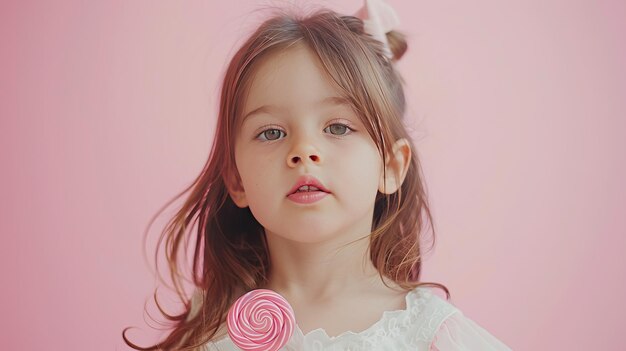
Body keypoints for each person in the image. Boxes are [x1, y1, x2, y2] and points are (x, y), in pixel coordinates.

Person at [124, 1, 513, 350]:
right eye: (272, 132)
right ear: (237, 180)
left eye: (338, 127)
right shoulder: (208, 331)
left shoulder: (431, 335)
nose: (303, 152)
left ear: (392, 166)